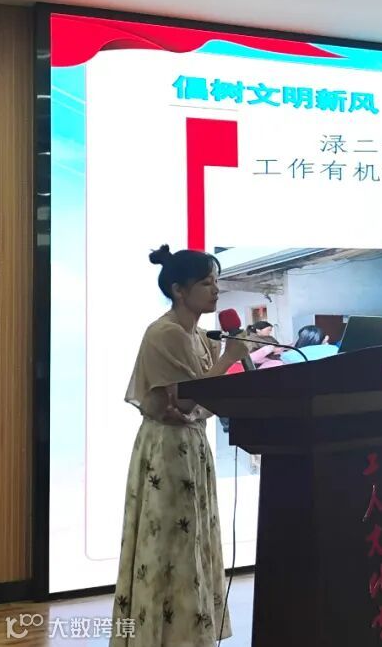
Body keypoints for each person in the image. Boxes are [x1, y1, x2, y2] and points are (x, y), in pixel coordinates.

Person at [111, 245, 249, 647]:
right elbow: (186, 401)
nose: (216, 290)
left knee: (192, 541)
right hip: (168, 449)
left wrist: (234, 357)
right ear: (178, 290)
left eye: (216, 282)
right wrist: (231, 357)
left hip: (193, 445)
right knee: (171, 543)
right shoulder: (165, 333)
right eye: (206, 283)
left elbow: (207, 399)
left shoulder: (201, 336)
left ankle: (189, 633)